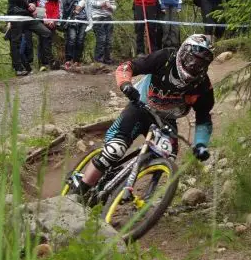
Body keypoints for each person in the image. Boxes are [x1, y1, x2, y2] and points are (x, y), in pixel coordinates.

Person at [70, 34, 215, 196]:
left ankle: (144, 195)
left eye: (200, 64)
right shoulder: (165, 58)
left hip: (165, 120)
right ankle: (79, 192)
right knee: (114, 150)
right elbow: (128, 66)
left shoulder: (203, 85)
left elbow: (203, 117)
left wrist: (201, 144)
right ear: (182, 53)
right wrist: (126, 84)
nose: (194, 65)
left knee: (167, 156)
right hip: (139, 108)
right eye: (191, 59)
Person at [3, 0, 53, 76]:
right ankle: (19, 68)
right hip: (16, 13)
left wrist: (33, 5)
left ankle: (44, 63)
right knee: (16, 41)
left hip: (28, 15)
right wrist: (28, 6)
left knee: (46, 33)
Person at [57, 0, 92, 68]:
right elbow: (59, 1)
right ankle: (68, 60)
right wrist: (60, 17)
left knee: (80, 40)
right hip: (70, 17)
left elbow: (88, 2)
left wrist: (90, 18)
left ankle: (77, 61)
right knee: (71, 39)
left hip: (83, 17)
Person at [29, 0, 60, 71]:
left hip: (52, 20)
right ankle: (44, 64)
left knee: (48, 41)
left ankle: (46, 64)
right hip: (40, 18)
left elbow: (57, 6)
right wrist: (44, 18)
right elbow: (32, 2)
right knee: (43, 40)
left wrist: (54, 19)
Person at [88, 0, 117, 64]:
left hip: (108, 17)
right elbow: (87, 0)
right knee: (101, 39)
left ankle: (107, 60)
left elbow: (114, 5)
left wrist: (110, 7)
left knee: (109, 40)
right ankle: (98, 61)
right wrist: (100, 4)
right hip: (97, 16)